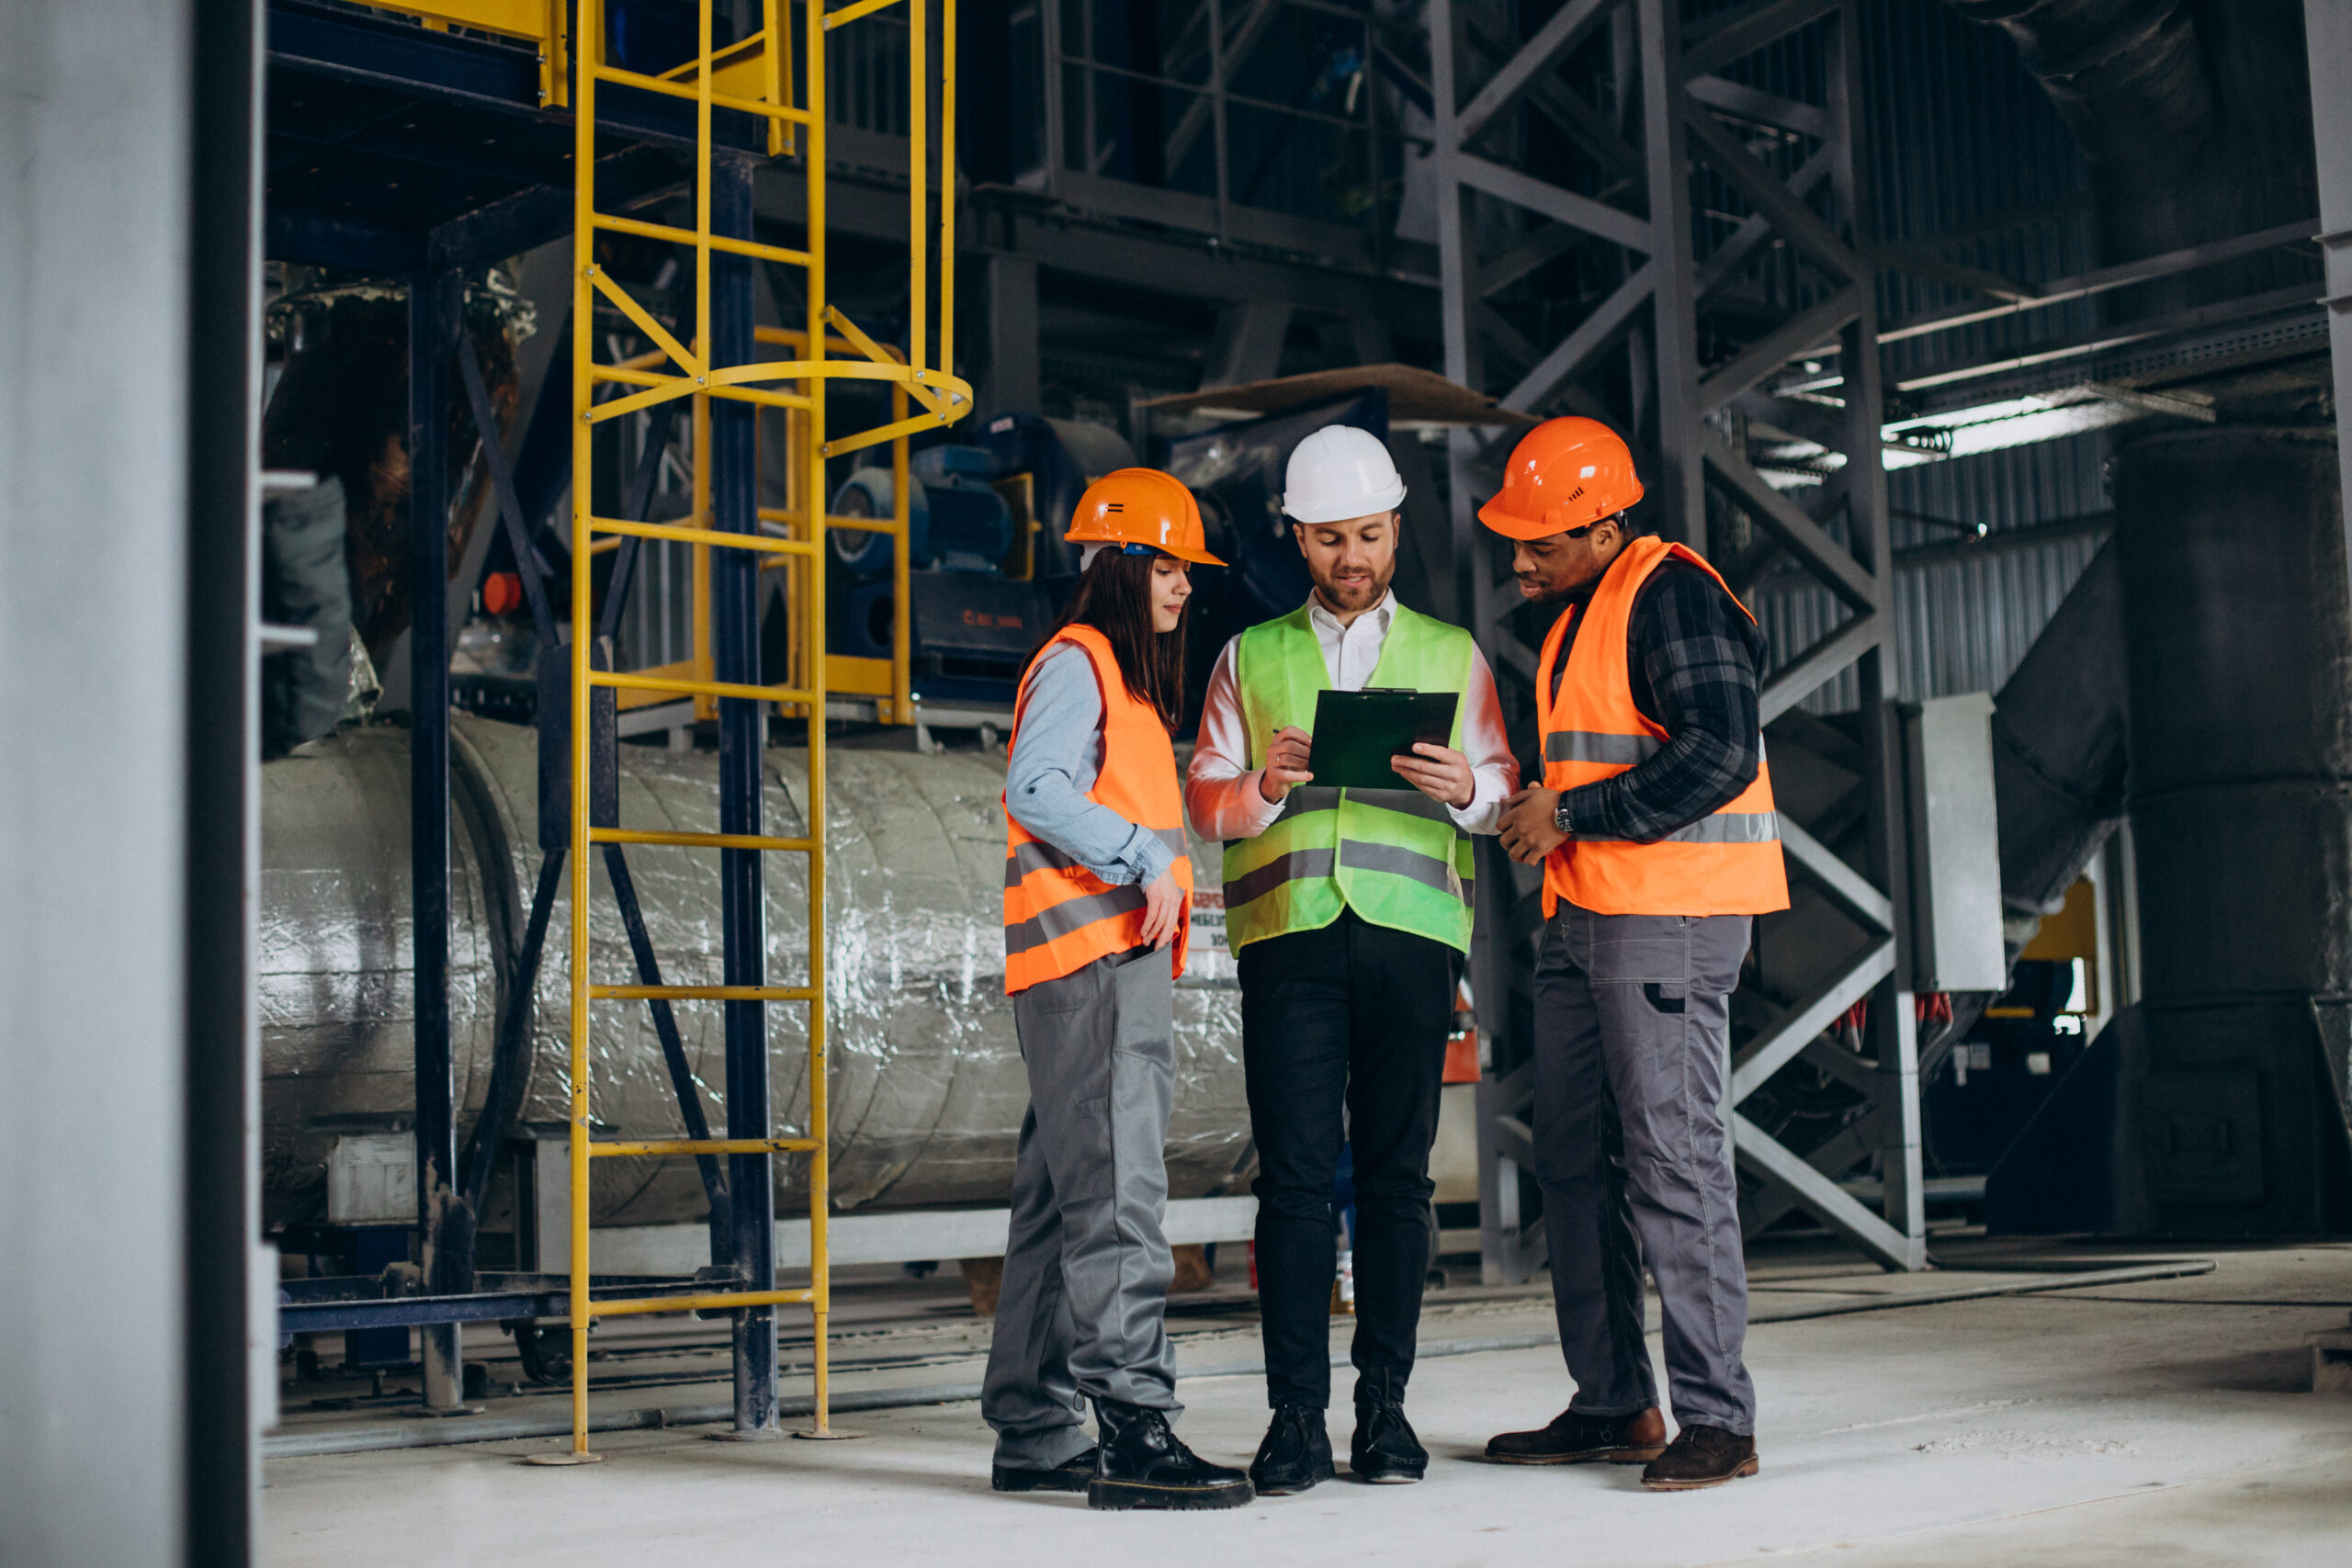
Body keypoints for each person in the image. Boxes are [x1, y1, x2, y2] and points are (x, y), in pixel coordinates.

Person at [1186, 424, 1518, 1493]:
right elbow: (1205, 799)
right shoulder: (1248, 655)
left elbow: (1502, 785)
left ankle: (1384, 1415)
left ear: (1394, 531)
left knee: (1394, 1182)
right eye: (1329, 540)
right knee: (1290, 1183)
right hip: (1289, 942)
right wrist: (1265, 789)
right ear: (1295, 537)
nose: (1351, 559)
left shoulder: (1451, 654)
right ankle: (1295, 1421)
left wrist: (1464, 788)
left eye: (1368, 536)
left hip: (1410, 942)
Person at [1478, 417, 1788, 1493]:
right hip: (1586, 916)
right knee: (1570, 1159)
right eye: (1514, 541)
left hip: (1672, 916)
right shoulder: (1579, 613)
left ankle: (1718, 1419)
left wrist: (1571, 814)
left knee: (1672, 1160)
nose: (1519, 560)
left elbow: (1719, 749)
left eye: (1541, 543)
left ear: (1605, 526)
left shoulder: (1669, 593)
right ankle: (1615, 1403)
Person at [983, 468, 1255, 1513]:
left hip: (1092, 970)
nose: (1185, 585)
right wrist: (1144, 853)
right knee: (1119, 1198)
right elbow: (1036, 788)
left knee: (1059, 1203)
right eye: (1171, 564)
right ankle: (1134, 1426)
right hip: (1090, 966)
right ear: (1124, 565)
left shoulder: (1117, 679)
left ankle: (1034, 1427)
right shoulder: (1080, 662)